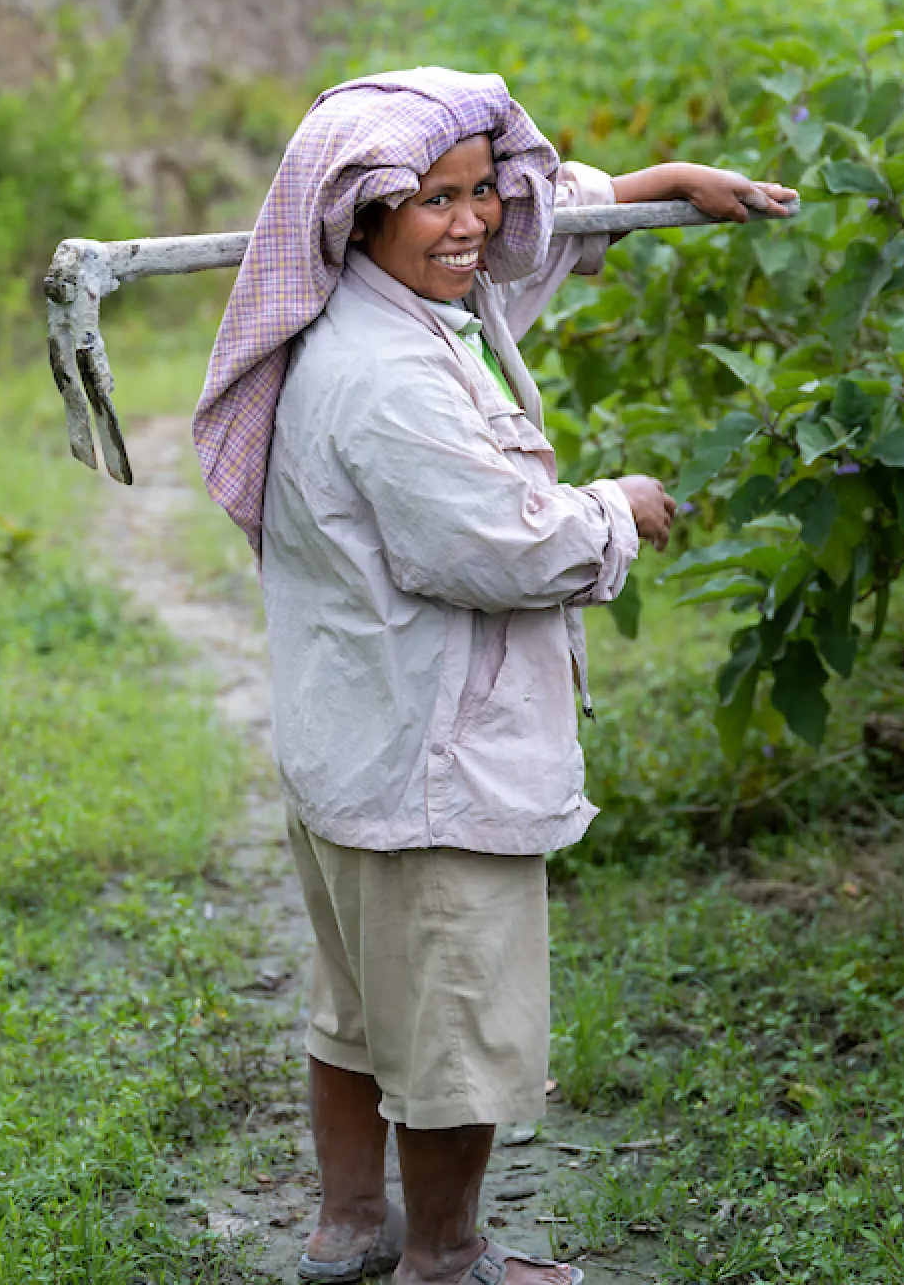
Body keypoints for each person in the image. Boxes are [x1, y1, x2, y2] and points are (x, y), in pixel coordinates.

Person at [193, 68, 794, 1285]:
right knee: (454, 1025)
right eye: (431, 201)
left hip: (353, 746)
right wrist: (613, 511)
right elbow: (501, 546)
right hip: (433, 758)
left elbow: (524, 236)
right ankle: (448, 1259)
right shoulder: (390, 377)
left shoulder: (368, 311)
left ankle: (350, 1225)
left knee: (360, 1009)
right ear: (361, 217)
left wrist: (664, 185)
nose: (470, 221)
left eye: (478, 190)